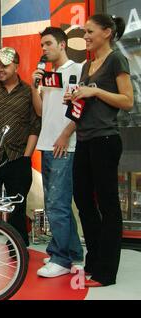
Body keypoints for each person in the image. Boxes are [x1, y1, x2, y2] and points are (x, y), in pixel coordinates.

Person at [65, 14, 133, 287]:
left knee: (108, 205)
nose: (86, 36)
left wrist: (94, 93)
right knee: (82, 199)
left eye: (90, 31)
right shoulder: (87, 65)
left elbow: (127, 100)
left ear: (107, 32)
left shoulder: (117, 59)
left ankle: (107, 273)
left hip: (106, 140)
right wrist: (74, 98)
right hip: (84, 139)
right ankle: (95, 260)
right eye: (85, 32)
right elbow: (82, 108)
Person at [0, 47, 41, 246]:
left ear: (16, 66)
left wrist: (26, 157)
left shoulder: (29, 91)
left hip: (18, 157)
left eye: (5, 65)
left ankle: (18, 248)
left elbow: (34, 126)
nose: (0, 69)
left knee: (17, 207)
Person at [31, 27, 84, 278]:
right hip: (47, 144)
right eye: (42, 45)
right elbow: (41, 111)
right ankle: (74, 254)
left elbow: (80, 109)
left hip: (65, 145)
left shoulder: (77, 69)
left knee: (56, 204)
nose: (44, 49)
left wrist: (65, 134)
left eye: (48, 44)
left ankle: (60, 257)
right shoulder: (48, 76)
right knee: (58, 204)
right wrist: (35, 86)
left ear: (62, 44)